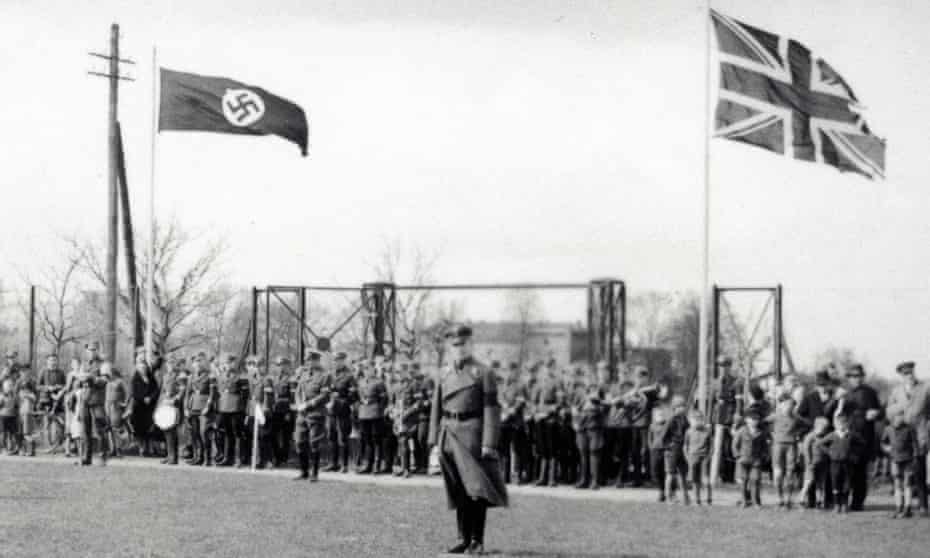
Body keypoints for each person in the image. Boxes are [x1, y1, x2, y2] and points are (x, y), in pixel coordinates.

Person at [427, 325, 507, 555]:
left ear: (471, 344)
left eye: (463, 344)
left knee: (477, 489)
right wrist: (434, 442)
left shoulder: (483, 372)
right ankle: (462, 537)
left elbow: (491, 409)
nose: (459, 349)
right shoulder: (443, 374)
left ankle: (476, 540)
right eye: (454, 345)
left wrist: (489, 443)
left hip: (473, 433)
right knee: (458, 488)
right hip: (449, 433)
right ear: (449, 347)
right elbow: (436, 408)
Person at [885, 361, 930, 517]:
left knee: (920, 469)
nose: (909, 376)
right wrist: (899, 412)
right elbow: (889, 411)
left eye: (910, 373)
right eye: (905, 374)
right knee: (903, 472)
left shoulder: (925, 388)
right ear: (901, 376)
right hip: (902, 438)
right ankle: (903, 505)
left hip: (920, 434)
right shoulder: (896, 391)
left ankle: (923, 505)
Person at [838, 363, 883, 511]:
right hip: (848, 435)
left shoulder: (870, 392)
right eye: (852, 376)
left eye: (858, 376)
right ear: (849, 378)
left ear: (862, 377)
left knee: (860, 472)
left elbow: (880, 412)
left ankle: (858, 502)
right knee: (846, 469)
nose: (856, 379)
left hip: (865, 436)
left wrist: (876, 414)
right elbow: (839, 414)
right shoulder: (845, 394)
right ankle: (843, 500)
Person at [816, 413, 866, 514]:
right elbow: (820, 444)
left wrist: (854, 455)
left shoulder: (851, 434)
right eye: (839, 424)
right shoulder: (832, 435)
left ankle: (844, 504)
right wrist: (830, 452)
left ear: (847, 424)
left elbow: (862, 444)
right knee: (835, 483)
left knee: (846, 483)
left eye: (844, 423)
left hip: (847, 463)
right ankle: (836, 504)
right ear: (835, 425)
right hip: (835, 463)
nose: (842, 426)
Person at [293, 353, 331, 481]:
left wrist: (309, 404)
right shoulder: (304, 374)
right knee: (299, 442)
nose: (308, 363)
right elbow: (298, 391)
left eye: (310, 360)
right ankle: (304, 472)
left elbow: (325, 396)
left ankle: (314, 473)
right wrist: (299, 405)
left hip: (316, 413)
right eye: (306, 360)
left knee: (314, 443)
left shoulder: (325, 376)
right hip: (302, 414)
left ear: (316, 361)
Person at [768, 393, 808, 509]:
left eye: (791, 405)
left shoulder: (796, 417)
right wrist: (769, 434)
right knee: (778, 474)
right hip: (778, 446)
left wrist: (798, 434)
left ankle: (788, 500)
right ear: (780, 405)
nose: (788, 407)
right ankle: (779, 498)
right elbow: (762, 423)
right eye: (785, 405)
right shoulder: (775, 416)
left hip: (791, 446)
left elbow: (808, 424)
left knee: (790, 473)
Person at [710, 356, 743, 485]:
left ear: (730, 367)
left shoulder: (736, 382)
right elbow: (710, 403)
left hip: (730, 417)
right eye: (720, 365)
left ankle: (728, 476)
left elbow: (739, 401)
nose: (723, 368)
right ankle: (717, 474)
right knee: (716, 447)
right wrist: (708, 420)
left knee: (729, 447)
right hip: (717, 416)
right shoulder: (714, 382)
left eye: (725, 365)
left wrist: (738, 415)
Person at [881, 411, 916, 519]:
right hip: (895, 460)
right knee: (897, 484)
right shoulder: (888, 429)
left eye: (901, 417)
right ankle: (898, 507)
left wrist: (914, 457)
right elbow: (883, 442)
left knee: (907, 484)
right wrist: (886, 448)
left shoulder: (909, 428)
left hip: (907, 459)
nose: (899, 419)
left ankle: (907, 508)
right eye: (897, 417)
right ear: (892, 418)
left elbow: (915, 443)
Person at [499, 362, 530, 484]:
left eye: (511, 370)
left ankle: (518, 475)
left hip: (516, 423)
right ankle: (505, 476)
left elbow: (521, 401)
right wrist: (503, 409)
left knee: (517, 450)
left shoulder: (520, 386)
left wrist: (511, 410)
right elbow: (499, 399)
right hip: (504, 422)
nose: (508, 373)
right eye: (506, 370)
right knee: (504, 449)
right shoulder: (502, 386)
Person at [531, 361, 561, 487]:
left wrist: (548, 411)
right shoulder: (538, 384)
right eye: (544, 369)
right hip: (540, 419)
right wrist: (536, 413)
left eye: (549, 368)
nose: (546, 371)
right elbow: (533, 402)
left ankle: (552, 478)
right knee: (542, 448)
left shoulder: (556, 383)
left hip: (550, 420)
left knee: (552, 447)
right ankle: (542, 477)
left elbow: (559, 403)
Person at [325, 352, 356, 473]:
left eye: (339, 360)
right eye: (335, 360)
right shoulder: (331, 375)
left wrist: (342, 399)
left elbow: (353, 395)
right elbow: (326, 390)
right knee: (331, 437)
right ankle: (334, 463)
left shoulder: (349, 376)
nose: (337, 362)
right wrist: (329, 396)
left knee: (343, 437)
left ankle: (345, 465)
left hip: (343, 410)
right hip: (331, 410)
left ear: (344, 361)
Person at [357, 357, 387, 474]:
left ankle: (377, 465)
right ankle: (368, 464)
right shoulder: (361, 382)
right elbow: (359, 396)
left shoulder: (379, 382)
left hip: (375, 414)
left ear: (373, 369)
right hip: (364, 414)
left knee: (376, 440)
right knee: (367, 440)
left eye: (368, 368)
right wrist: (362, 402)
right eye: (364, 369)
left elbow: (384, 399)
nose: (366, 371)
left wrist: (379, 410)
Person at [216, 355, 247, 467]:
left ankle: (238, 458)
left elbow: (244, 395)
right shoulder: (221, 376)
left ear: (234, 363)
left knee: (237, 433)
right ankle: (227, 458)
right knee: (227, 433)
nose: (228, 365)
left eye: (230, 363)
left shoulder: (241, 377)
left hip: (236, 408)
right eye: (226, 363)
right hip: (224, 406)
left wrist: (243, 410)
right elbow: (220, 391)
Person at [732, 411, 767, 508]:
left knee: (755, 480)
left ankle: (755, 502)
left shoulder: (761, 433)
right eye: (752, 420)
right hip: (743, 460)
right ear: (747, 420)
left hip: (756, 461)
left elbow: (765, 446)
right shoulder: (742, 431)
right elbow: (735, 444)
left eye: (756, 420)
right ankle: (744, 501)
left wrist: (764, 456)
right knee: (743, 481)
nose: (755, 422)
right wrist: (737, 456)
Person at [129, 354, 160, 456]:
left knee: (150, 426)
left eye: (144, 367)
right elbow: (134, 392)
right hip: (139, 407)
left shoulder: (151, 377)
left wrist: (150, 397)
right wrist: (143, 398)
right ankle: (142, 448)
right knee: (139, 428)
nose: (143, 369)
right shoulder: (135, 379)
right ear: (138, 368)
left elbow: (156, 389)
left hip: (150, 406)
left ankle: (150, 448)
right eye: (141, 367)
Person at [661, 395, 689, 504]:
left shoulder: (685, 419)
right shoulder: (671, 420)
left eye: (683, 406)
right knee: (670, 474)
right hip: (672, 450)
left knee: (683, 473)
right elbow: (663, 436)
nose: (682, 408)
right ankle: (668, 497)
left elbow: (688, 431)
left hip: (682, 450)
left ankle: (685, 497)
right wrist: (669, 446)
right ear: (675, 408)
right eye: (680, 406)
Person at [799, 416, 831, 510]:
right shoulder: (810, 436)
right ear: (816, 427)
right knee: (809, 481)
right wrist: (809, 461)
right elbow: (805, 449)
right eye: (822, 429)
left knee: (821, 483)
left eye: (825, 429)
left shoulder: (826, 436)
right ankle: (801, 499)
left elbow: (828, 449)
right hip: (812, 463)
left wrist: (823, 447)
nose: (823, 431)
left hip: (823, 463)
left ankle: (819, 501)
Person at [37, 354, 67, 453]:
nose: (53, 362)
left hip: (58, 401)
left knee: (59, 424)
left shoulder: (61, 372)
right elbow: (38, 386)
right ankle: (47, 445)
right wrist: (47, 388)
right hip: (46, 401)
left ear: (57, 361)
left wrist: (59, 387)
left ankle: (57, 445)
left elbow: (66, 385)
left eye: (54, 360)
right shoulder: (43, 372)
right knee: (47, 424)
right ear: (47, 361)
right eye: (51, 360)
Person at [683, 408, 713, 505]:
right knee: (695, 479)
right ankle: (697, 499)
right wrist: (687, 457)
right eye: (693, 420)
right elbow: (685, 446)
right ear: (690, 421)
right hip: (692, 457)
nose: (696, 422)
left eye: (699, 420)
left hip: (704, 456)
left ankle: (709, 498)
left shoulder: (707, 432)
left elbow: (711, 446)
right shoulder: (688, 432)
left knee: (705, 478)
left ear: (702, 420)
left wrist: (709, 456)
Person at [271, 356, 296, 468]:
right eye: (279, 365)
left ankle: (284, 458)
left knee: (286, 436)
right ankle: (277, 457)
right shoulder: (275, 378)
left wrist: (289, 412)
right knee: (273, 434)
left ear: (287, 366)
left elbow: (293, 397)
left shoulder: (291, 379)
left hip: (286, 410)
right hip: (276, 410)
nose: (281, 367)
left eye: (283, 365)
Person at [104, 365, 130, 458]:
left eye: (110, 372)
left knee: (116, 428)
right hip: (108, 406)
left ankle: (119, 449)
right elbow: (106, 396)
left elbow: (128, 392)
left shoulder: (120, 381)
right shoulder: (108, 383)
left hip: (116, 406)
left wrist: (124, 403)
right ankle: (112, 449)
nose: (109, 374)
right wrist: (105, 406)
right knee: (110, 429)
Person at [647, 406, 668, 502]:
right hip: (655, 450)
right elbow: (649, 437)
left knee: (664, 471)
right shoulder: (652, 425)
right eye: (658, 415)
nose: (660, 416)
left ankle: (663, 492)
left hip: (664, 450)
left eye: (661, 414)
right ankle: (661, 488)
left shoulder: (667, 425)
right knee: (655, 470)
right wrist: (651, 446)